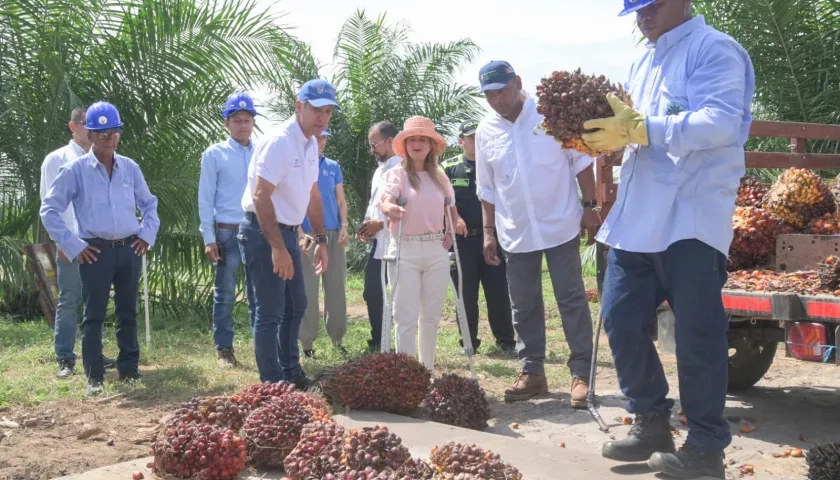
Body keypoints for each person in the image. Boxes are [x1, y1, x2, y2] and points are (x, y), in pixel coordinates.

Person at [580, 1, 755, 478]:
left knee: (697, 336)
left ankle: (706, 447)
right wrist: (606, 137)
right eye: (636, 9)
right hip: (638, 217)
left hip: (691, 215)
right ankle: (652, 422)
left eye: (652, 5)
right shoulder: (643, 60)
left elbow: (720, 123)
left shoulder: (715, 49)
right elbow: (636, 133)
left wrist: (642, 129)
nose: (644, 16)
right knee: (620, 319)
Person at [474, 60, 599, 406]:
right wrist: (488, 233)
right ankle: (533, 373)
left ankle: (581, 374)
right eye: (489, 95)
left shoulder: (549, 116)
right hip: (516, 231)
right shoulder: (485, 131)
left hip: (560, 223)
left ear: (517, 83)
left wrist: (590, 206)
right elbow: (487, 188)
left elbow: (581, 162)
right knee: (524, 304)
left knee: (571, 298)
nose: (497, 99)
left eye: (501, 90)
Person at [40, 101, 160, 395]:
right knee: (93, 314)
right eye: (101, 132)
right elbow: (50, 209)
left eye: (113, 132)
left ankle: (130, 368)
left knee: (127, 311)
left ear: (119, 134)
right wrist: (73, 244)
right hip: (94, 251)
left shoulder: (130, 167)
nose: (109, 137)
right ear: (89, 135)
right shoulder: (75, 170)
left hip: (129, 249)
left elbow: (149, 203)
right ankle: (94, 376)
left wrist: (147, 233)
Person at [239, 78, 335, 387]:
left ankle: (291, 374)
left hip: (290, 233)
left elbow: (313, 195)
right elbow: (260, 196)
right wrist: (277, 248)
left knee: (296, 306)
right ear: (299, 106)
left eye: (329, 111)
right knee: (269, 312)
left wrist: (320, 239)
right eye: (317, 110)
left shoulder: (310, 144)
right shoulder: (280, 141)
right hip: (263, 234)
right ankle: (273, 385)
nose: (323, 118)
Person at [377, 115, 464, 370]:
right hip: (405, 247)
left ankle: (426, 371)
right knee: (405, 316)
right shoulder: (397, 174)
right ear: (404, 145)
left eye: (422, 140)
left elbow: (451, 207)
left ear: (430, 145)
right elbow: (386, 200)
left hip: (436, 248)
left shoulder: (439, 175)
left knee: (431, 317)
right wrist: (390, 207)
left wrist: (452, 226)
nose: (417, 144)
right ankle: (407, 374)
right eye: (412, 139)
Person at [39, 106, 117, 378]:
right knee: (70, 299)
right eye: (85, 124)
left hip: (98, 243)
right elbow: (51, 206)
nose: (90, 129)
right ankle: (65, 357)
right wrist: (62, 242)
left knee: (95, 299)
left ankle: (94, 353)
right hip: (72, 243)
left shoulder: (105, 159)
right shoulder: (56, 159)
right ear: (73, 127)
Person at [441, 121, 516, 356]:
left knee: (498, 292)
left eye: (479, 137)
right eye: (471, 138)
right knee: (465, 293)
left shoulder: (495, 164)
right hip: (462, 241)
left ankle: (506, 342)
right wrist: (455, 219)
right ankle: (468, 342)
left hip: (492, 238)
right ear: (460, 141)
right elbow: (440, 200)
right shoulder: (448, 167)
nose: (476, 142)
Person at [198, 92, 258, 368]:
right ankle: (224, 349)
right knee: (225, 292)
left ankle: (263, 346)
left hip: (258, 230)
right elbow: (205, 198)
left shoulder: (262, 152)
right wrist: (209, 238)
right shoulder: (214, 154)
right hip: (228, 232)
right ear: (226, 123)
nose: (243, 125)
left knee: (260, 292)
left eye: (247, 120)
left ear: (253, 123)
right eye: (237, 120)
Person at [298, 128, 349, 358]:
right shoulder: (297, 163)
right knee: (308, 289)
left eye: (323, 137)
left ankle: (338, 339)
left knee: (336, 287)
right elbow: (292, 199)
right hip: (308, 234)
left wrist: (345, 226)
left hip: (333, 232)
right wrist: (299, 231)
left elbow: (341, 201)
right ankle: (307, 344)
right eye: (316, 137)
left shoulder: (333, 166)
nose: (319, 141)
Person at [357, 121, 402, 352]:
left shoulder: (405, 168)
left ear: (391, 141)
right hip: (379, 245)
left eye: (374, 144)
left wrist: (381, 224)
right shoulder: (378, 170)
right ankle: (378, 342)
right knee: (372, 292)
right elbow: (374, 204)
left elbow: (410, 208)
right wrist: (367, 226)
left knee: (400, 297)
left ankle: (399, 345)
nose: (371, 149)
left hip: (400, 245)